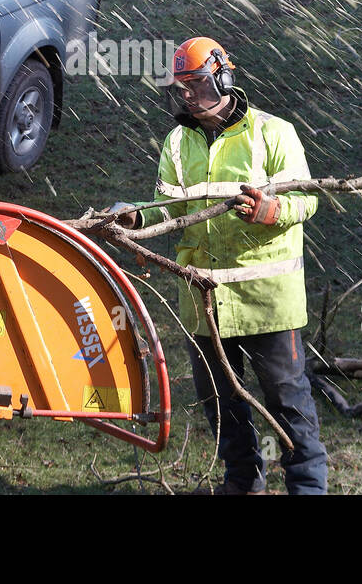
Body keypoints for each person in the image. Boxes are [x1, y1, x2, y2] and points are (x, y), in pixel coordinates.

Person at [110, 37, 328, 494]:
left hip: (268, 300)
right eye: (182, 88)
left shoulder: (273, 132)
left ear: (224, 79)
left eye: (198, 84)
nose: (188, 96)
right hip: (203, 301)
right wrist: (137, 216)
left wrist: (271, 211)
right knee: (220, 403)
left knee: (288, 402)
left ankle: (308, 488)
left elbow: (306, 199)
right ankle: (242, 483)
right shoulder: (176, 141)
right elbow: (167, 208)